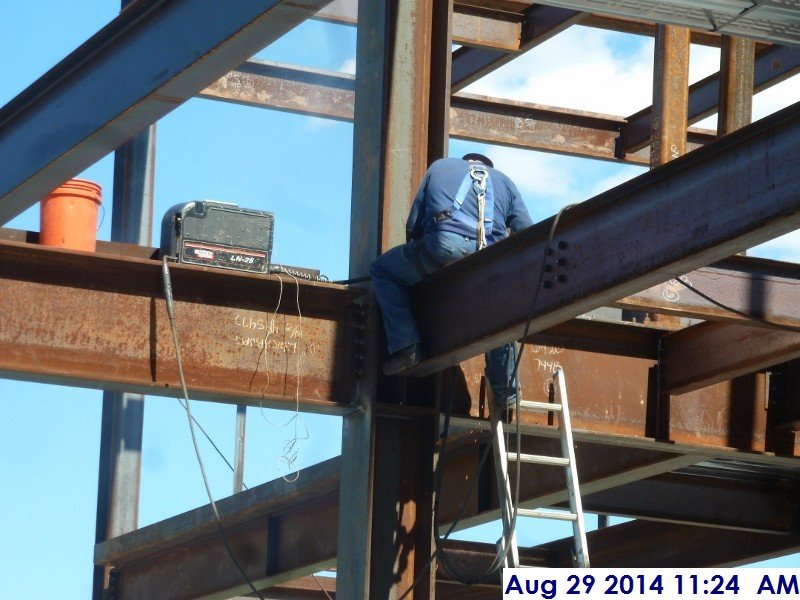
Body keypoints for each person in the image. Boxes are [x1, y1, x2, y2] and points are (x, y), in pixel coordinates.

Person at [370, 152, 533, 407]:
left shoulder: (440, 166)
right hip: (489, 258)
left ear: (465, 161)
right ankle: (507, 392)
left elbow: (414, 224)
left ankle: (406, 347)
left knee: (382, 270)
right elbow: (526, 231)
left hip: (443, 246)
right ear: (487, 166)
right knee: (501, 311)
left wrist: (422, 269)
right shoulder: (505, 181)